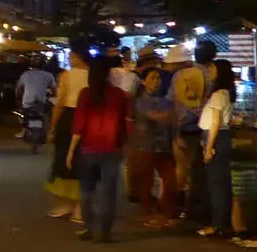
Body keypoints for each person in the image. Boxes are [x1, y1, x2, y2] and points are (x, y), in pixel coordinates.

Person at [67, 54, 133, 242]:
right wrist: (126, 146)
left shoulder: (85, 94)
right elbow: (126, 124)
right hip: (112, 150)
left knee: (86, 190)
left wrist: (71, 151)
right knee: (108, 193)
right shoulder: (119, 95)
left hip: (88, 149)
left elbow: (79, 125)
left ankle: (88, 227)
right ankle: (104, 232)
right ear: (108, 74)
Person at [171, 39, 215, 224]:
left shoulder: (180, 75)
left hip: (181, 127)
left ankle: (180, 206)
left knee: (181, 168)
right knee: (199, 170)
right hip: (203, 126)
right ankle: (195, 207)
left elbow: (171, 99)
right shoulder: (211, 76)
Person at [44, 49, 89, 220]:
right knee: (83, 161)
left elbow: (60, 102)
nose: (70, 59)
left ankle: (68, 204)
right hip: (88, 120)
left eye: (71, 55)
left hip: (70, 118)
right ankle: (80, 207)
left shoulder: (67, 76)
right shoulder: (95, 75)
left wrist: (52, 127)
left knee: (63, 160)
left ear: (78, 56)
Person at [133, 64, 180, 226]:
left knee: (170, 180)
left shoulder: (164, 100)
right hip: (146, 146)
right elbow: (156, 116)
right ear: (144, 82)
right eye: (152, 78)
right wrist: (171, 115)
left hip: (163, 146)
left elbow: (173, 122)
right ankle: (150, 214)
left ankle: (165, 212)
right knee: (146, 182)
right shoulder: (141, 101)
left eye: (158, 77)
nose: (156, 81)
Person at [197, 58, 237, 238]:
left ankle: (217, 225)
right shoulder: (224, 93)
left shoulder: (219, 94)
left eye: (212, 68)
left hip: (216, 139)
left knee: (216, 185)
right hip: (221, 138)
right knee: (220, 184)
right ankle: (222, 223)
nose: (210, 71)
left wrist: (208, 148)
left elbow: (215, 123)